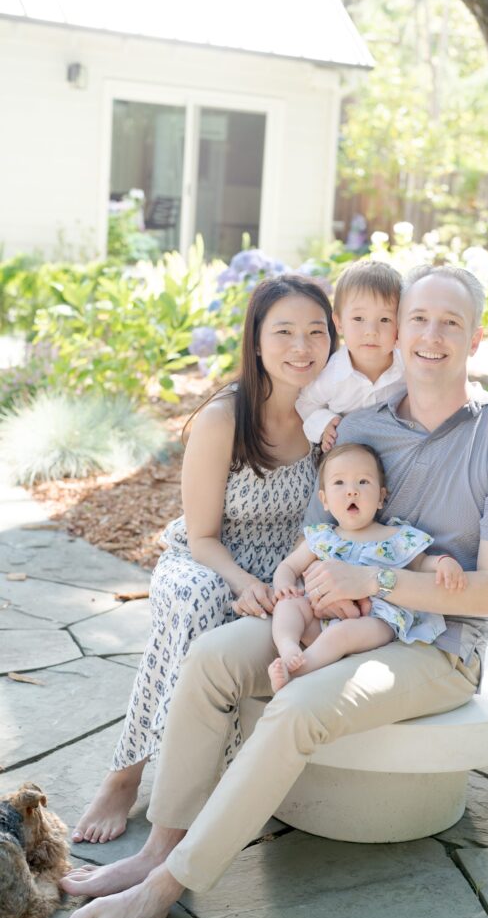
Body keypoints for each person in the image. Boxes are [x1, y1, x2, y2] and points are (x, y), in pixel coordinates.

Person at [61, 264, 488, 918]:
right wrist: (305, 590)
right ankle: (156, 847)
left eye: (449, 322)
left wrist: (372, 584)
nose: (429, 335)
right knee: (210, 658)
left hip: (434, 646)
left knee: (296, 706)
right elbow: (319, 534)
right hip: (332, 619)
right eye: (416, 319)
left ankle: (165, 886)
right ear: (396, 330)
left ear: (474, 337)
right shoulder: (366, 427)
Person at [71, 275, 337, 845]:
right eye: (284, 331)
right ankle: (128, 776)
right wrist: (242, 582)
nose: (302, 346)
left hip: (287, 567)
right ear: (257, 342)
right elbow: (202, 534)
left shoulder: (330, 422)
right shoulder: (225, 417)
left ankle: (228, 781)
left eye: (317, 332)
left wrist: (287, 576)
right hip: (208, 562)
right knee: (199, 605)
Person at [268, 441, 466, 692]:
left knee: (342, 634)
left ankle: (299, 670)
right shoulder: (321, 537)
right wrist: (284, 586)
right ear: (325, 499)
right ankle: (288, 646)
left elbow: (421, 562)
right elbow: (288, 566)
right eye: (339, 483)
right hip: (320, 616)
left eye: (363, 482)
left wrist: (442, 562)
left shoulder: (395, 536)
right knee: (288, 606)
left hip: (374, 619)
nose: (352, 491)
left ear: (381, 497)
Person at [296, 259, 405, 451]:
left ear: (400, 324)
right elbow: (306, 402)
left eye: (385, 319)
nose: (371, 331)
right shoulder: (332, 375)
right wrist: (325, 423)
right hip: (347, 459)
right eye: (358, 318)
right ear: (339, 323)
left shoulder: (408, 368)